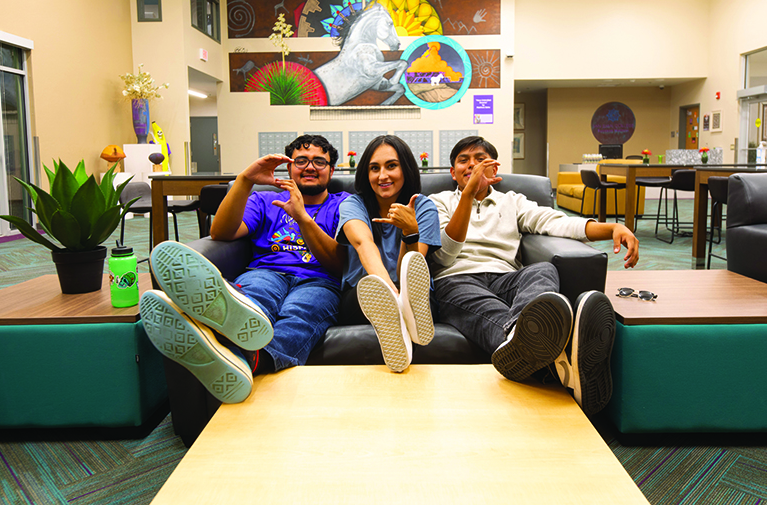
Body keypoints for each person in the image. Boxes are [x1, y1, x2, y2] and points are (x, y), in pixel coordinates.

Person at [429, 136, 640, 415]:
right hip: (458, 279)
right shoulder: (438, 201)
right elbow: (444, 255)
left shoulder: (512, 201)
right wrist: (467, 195)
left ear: (494, 170)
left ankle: (526, 336)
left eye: (480, 159)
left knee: (543, 270)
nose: (472, 165)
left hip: (505, 277)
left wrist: (612, 228)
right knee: (477, 301)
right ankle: (559, 354)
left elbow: (557, 223)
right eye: (463, 161)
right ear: (453, 172)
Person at [139, 134, 350, 403]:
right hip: (266, 272)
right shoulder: (263, 200)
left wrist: (302, 217)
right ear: (289, 168)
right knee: (253, 301)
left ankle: (235, 355)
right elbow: (221, 232)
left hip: (318, 280)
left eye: (319, 161)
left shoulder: (343, 203)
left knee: (301, 315)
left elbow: (338, 263)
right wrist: (245, 180)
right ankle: (225, 338)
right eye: (301, 161)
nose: (310, 167)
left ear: (332, 170)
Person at [337, 135, 440, 373]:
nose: (382, 176)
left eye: (391, 166)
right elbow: (364, 244)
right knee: (374, 292)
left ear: (406, 169)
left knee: (413, 288)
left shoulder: (423, 207)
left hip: (411, 293)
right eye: (374, 168)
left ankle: (400, 323)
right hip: (364, 295)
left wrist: (410, 231)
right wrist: (392, 294)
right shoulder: (353, 204)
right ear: (366, 173)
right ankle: (403, 318)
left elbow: (410, 269)